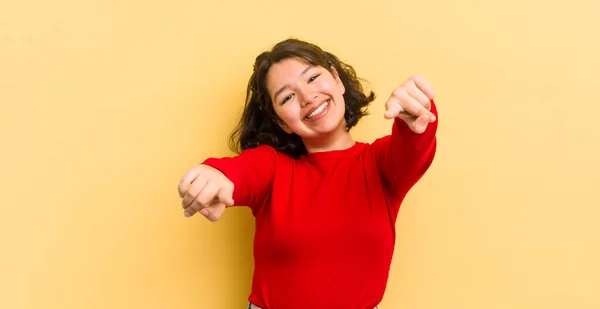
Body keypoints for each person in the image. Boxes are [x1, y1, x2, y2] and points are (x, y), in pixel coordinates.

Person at [177, 38, 439, 309]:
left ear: (336, 79)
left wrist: (415, 114)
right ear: (280, 121)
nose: (307, 97)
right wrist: (214, 174)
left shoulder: (380, 163)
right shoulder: (273, 167)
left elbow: (413, 145)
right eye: (287, 97)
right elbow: (239, 171)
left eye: (313, 77)